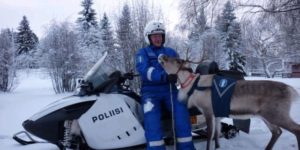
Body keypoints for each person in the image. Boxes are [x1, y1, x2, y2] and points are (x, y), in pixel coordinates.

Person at [135, 21, 195, 150]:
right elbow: (144, 71)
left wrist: (187, 72)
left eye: (160, 35)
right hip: (150, 93)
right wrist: (163, 76)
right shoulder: (142, 53)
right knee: (152, 122)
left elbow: (180, 67)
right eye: (155, 36)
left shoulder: (171, 52)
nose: (158, 38)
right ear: (148, 37)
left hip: (171, 91)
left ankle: (186, 147)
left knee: (182, 115)